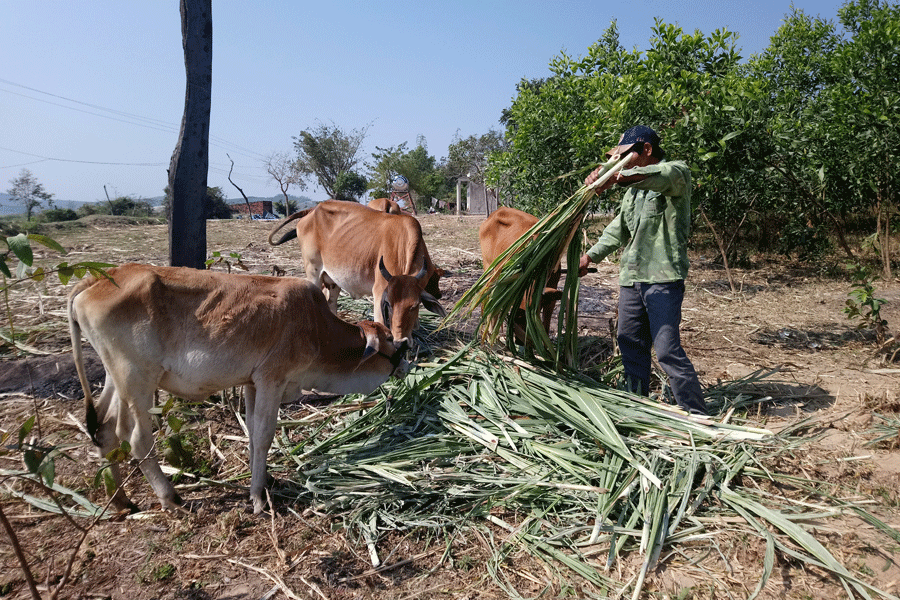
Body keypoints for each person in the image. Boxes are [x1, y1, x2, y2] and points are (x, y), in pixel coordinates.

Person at [578, 125, 709, 416]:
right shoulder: (632, 194)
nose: (621, 161)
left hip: (663, 280)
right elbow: (619, 229)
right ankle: (638, 408)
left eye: (625, 155)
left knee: (666, 351)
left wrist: (615, 176)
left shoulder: (676, 173)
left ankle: (698, 416)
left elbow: (654, 178)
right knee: (629, 345)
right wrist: (589, 256)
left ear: (646, 149)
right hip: (632, 278)